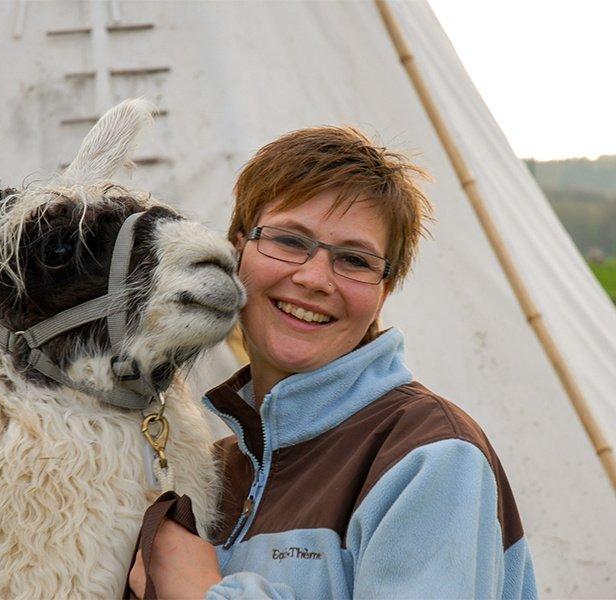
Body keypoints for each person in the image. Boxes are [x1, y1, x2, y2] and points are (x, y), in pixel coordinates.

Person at [129, 126, 538, 599]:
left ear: (384, 291)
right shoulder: (212, 473)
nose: (315, 278)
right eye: (289, 241)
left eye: (355, 260)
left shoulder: (429, 456)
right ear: (236, 248)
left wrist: (201, 592)